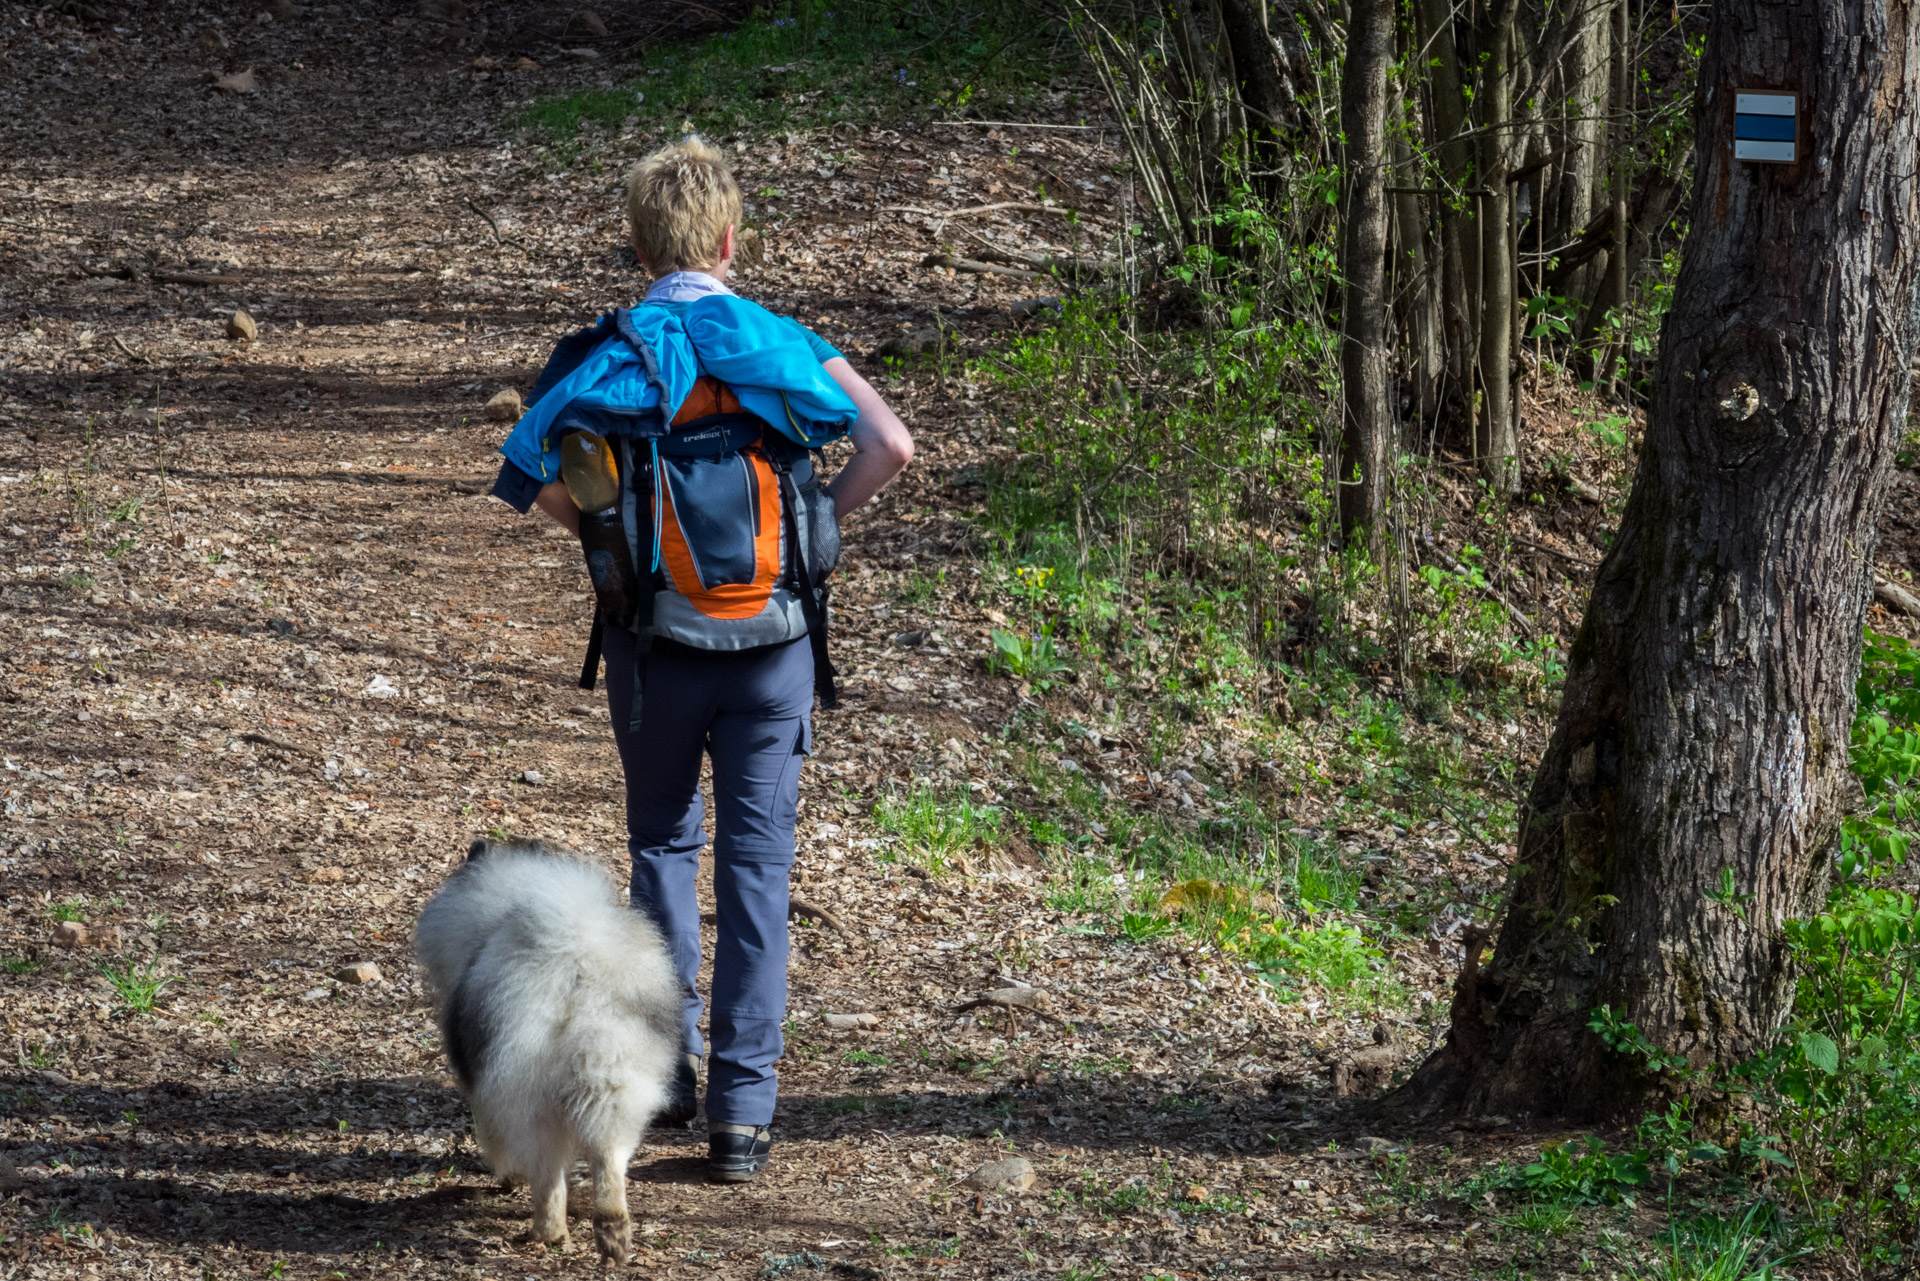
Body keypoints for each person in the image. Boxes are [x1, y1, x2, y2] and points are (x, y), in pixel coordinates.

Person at [488, 137, 913, 1183]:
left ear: (638, 246)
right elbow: (890, 445)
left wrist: (609, 550)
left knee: (663, 856)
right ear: (730, 240)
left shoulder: (611, 355)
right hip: (775, 650)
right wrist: (816, 542)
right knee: (760, 872)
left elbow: (523, 471)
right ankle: (745, 1118)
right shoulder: (778, 340)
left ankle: (663, 1075)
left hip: (655, 648)